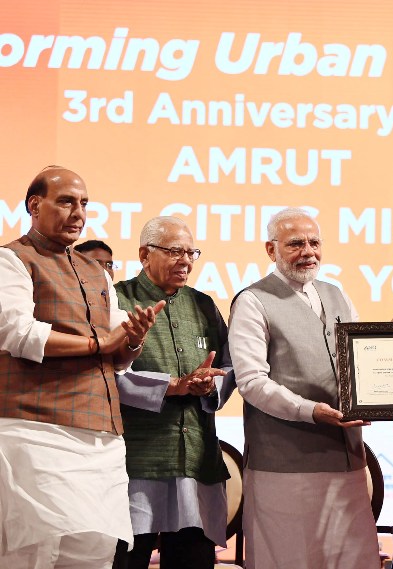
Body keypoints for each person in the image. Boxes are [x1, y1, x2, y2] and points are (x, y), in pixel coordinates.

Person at [0, 166, 163, 568]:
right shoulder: (12, 259)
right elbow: (16, 333)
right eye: (66, 201)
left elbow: (116, 356)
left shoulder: (95, 272)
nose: (78, 212)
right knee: (35, 551)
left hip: (101, 437)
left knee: (94, 552)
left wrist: (133, 339)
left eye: (84, 203)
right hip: (36, 430)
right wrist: (99, 343)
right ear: (35, 206)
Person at [228, 207, 379, 569]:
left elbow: (359, 365)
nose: (308, 251)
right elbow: (251, 382)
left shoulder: (337, 294)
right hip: (283, 465)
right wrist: (310, 411)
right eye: (295, 243)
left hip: (346, 464)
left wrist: (389, 352)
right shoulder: (252, 300)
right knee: (288, 560)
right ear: (271, 249)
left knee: (352, 561)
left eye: (314, 242)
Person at [113, 216, 235, 569]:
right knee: (126, 559)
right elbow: (107, 374)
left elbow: (230, 365)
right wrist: (172, 386)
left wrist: (212, 384)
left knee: (193, 559)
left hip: (196, 458)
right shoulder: (118, 300)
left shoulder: (204, 304)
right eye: (174, 251)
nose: (185, 260)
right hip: (137, 459)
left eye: (191, 252)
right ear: (144, 254)